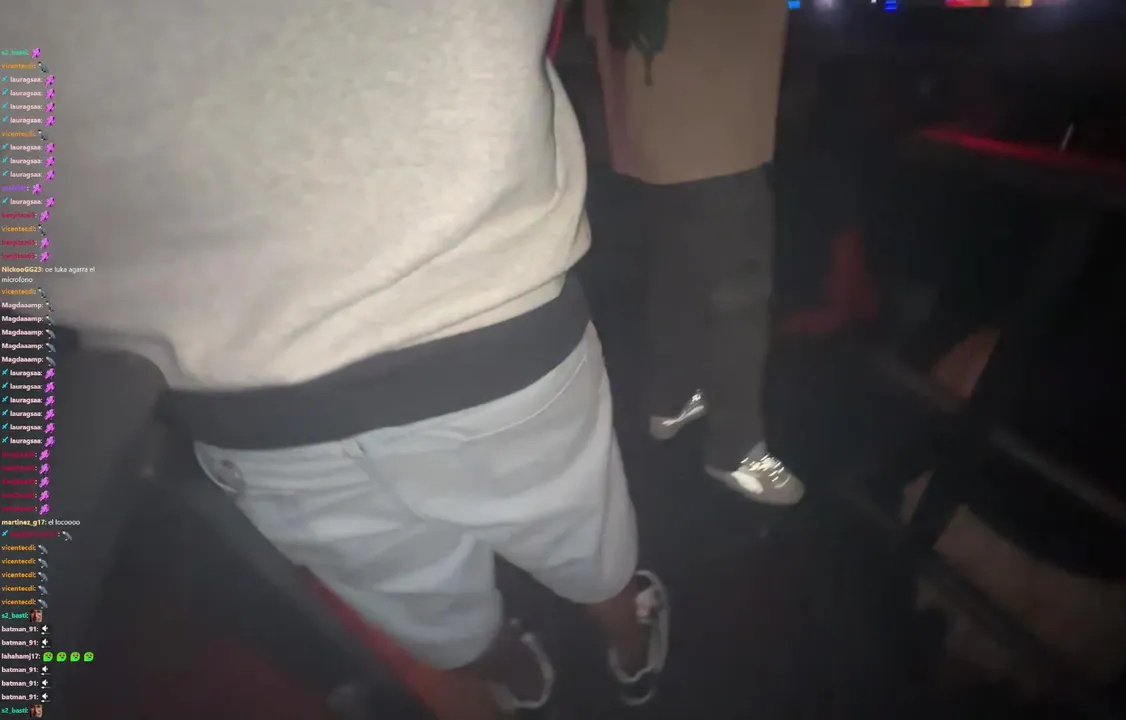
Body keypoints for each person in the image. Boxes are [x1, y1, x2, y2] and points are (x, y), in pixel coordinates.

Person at [3, 2, 669, 717]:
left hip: (234, 396)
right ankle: (628, 641)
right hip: (483, 316)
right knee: (578, 530)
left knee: (416, 596)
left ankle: (510, 671)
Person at [585, 0, 805, 505]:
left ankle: (672, 397)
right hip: (711, 93)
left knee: (677, 258)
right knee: (741, 289)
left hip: (650, 95)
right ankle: (736, 449)